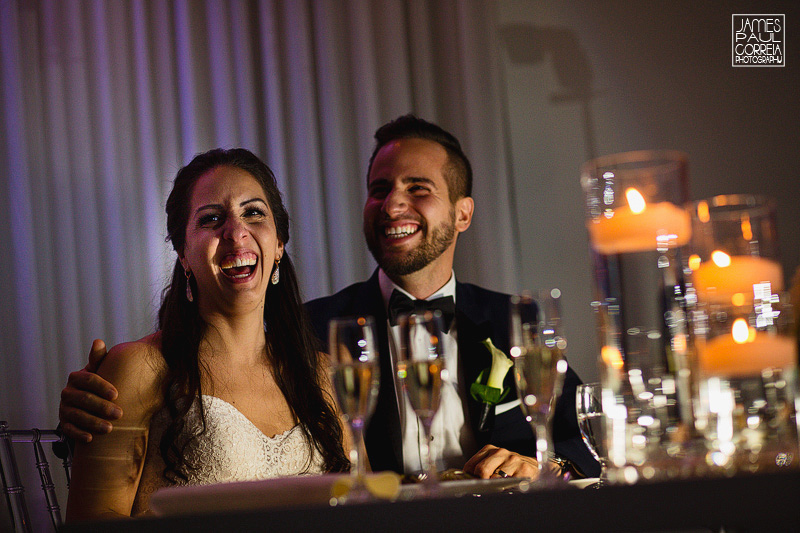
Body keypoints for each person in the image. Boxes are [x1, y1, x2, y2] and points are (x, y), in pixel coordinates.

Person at [60, 116, 599, 480]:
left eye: (419, 188)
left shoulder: (515, 321)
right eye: (379, 189)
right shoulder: (312, 331)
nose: (392, 207)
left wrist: (542, 466)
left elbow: (579, 442)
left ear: (463, 212)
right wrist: (86, 413)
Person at [65, 149, 348, 521]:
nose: (235, 232)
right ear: (183, 254)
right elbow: (92, 523)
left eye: (254, 213)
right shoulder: (138, 367)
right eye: (212, 219)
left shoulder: (324, 376)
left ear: (279, 243)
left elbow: (365, 506)